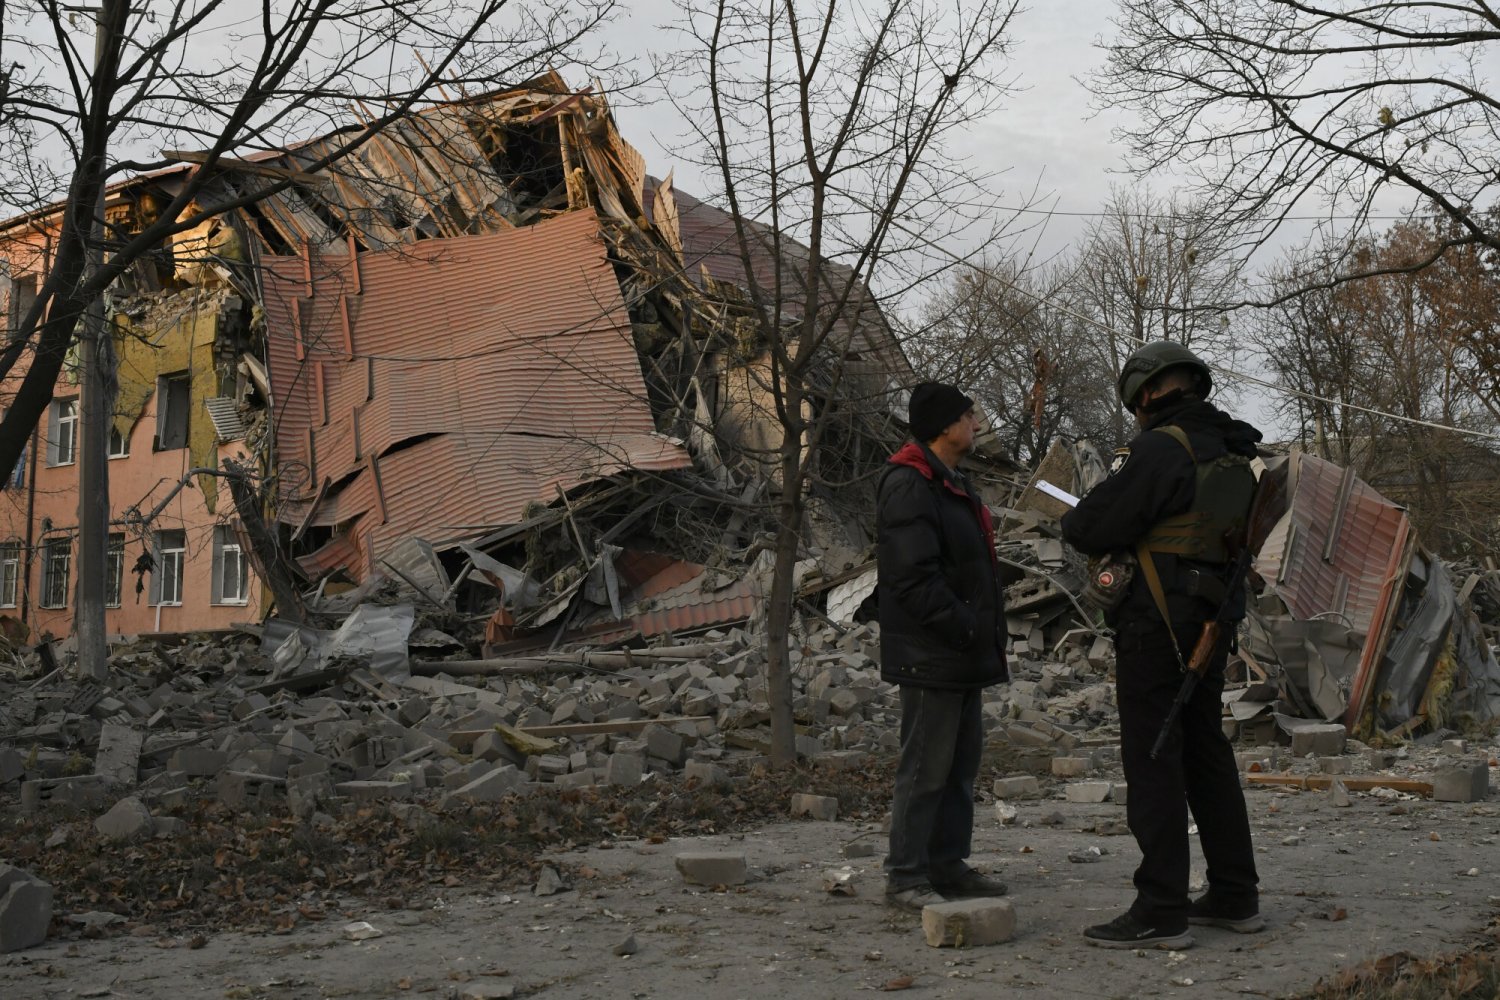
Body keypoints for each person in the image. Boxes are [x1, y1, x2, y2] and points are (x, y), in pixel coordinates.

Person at [1060, 341, 1265, 949]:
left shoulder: (1157, 449)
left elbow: (1086, 525)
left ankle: (1160, 909)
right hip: (1210, 620)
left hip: (1157, 621)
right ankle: (1234, 894)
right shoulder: (1234, 447)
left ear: (1146, 394)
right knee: (1204, 752)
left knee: (1153, 757)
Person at [878, 381, 1009, 911]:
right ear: (945, 426)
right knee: (926, 768)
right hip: (934, 653)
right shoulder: (910, 484)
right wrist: (966, 627)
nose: (976, 424)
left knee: (958, 768)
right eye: (968, 415)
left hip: (960, 652)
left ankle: (948, 866)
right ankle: (906, 876)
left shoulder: (951, 481)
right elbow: (912, 581)